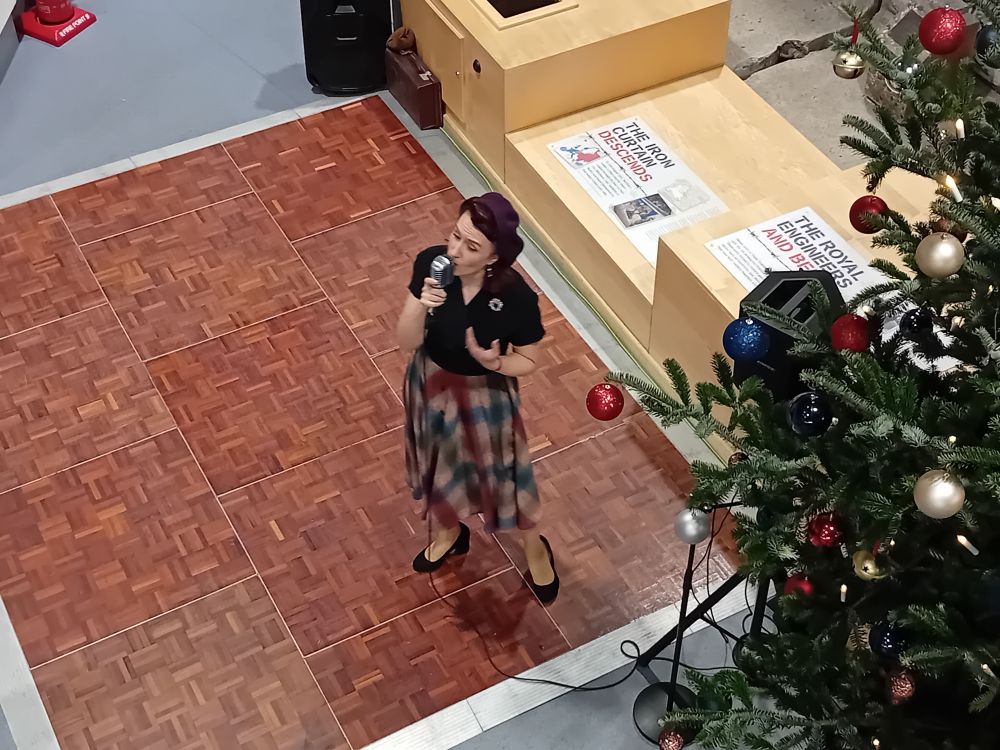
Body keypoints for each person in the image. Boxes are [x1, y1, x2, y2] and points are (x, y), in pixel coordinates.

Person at [396, 192, 559, 603]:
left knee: (505, 481)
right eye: (454, 236)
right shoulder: (431, 266)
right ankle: (451, 532)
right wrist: (420, 304)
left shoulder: (516, 297)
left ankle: (536, 550)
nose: (454, 252)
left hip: (484, 397)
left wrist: (496, 363)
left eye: (471, 247)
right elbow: (406, 341)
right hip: (430, 383)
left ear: (493, 256)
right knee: (439, 469)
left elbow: (528, 360)